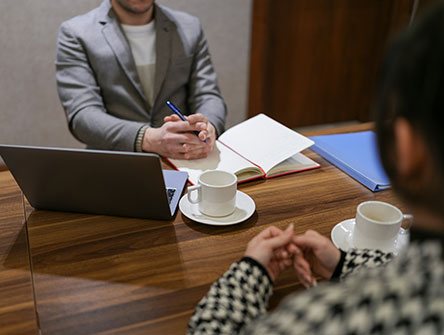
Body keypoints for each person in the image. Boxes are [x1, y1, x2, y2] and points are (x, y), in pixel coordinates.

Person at [188, 3, 444, 334]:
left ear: (408, 148)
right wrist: (344, 264)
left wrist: (250, 271)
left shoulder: (334, 316)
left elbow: (207, 329)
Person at [56, 0, 226, 159]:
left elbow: (208, 95)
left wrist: (207, 126)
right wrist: (147, 137)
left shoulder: (189, 27)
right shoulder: (76, 33)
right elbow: (83, 115)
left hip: (185, 159)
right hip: (114, 160)